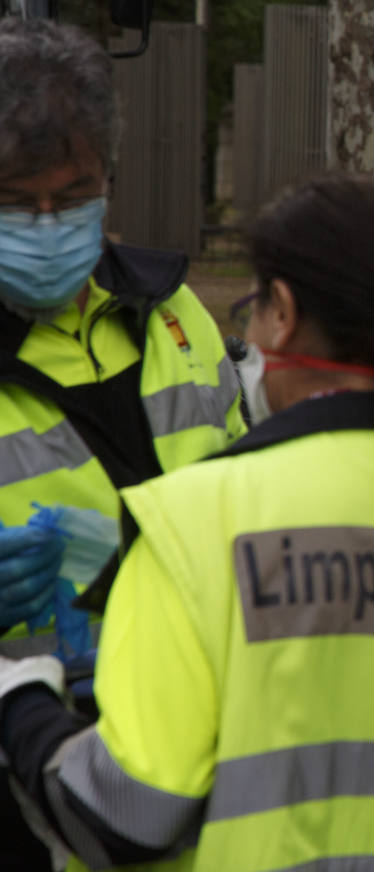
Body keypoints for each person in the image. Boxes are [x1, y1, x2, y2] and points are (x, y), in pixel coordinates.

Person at [0, 173, 374, 871]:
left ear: (280, 313)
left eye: (254, 306)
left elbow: (121, 815)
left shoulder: (196, 519)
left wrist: (21, 700)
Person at [0, 18, 244, 867]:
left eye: (70, 198)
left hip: (181, 753)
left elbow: (250, 495)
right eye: (14, 200)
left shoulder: (177, 317)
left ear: (109, 180)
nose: (44, 223)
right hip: (22, 768)